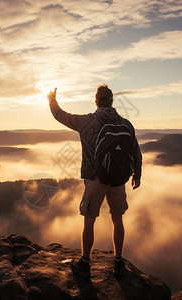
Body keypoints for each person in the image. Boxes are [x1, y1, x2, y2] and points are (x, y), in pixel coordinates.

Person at [47, 84, 142, 279]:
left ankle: (85, 263)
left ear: (96, 101)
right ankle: (118, 262)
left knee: (89, 220)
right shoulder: (125, 124)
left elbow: (60, 115)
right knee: (118, 219)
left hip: (95, 179)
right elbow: (135, 152)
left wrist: (51, 99)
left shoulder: (86, 121)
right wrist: (137, 174)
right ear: (112, 101)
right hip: (118, 180)